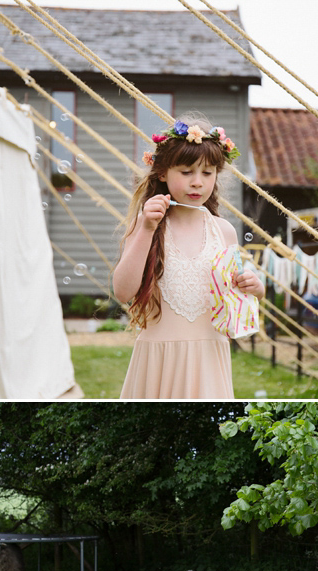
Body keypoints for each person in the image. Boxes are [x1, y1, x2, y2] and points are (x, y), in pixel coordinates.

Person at [112, 112, 263, 399]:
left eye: (207, 173)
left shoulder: (224, 232)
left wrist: (257, 289)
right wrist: (146, 228)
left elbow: (235, 298)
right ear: (162, 173)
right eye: (186, 172)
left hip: (209, 357)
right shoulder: (146, 225)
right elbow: (122, 291)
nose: (197, 182)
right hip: (158, 359)